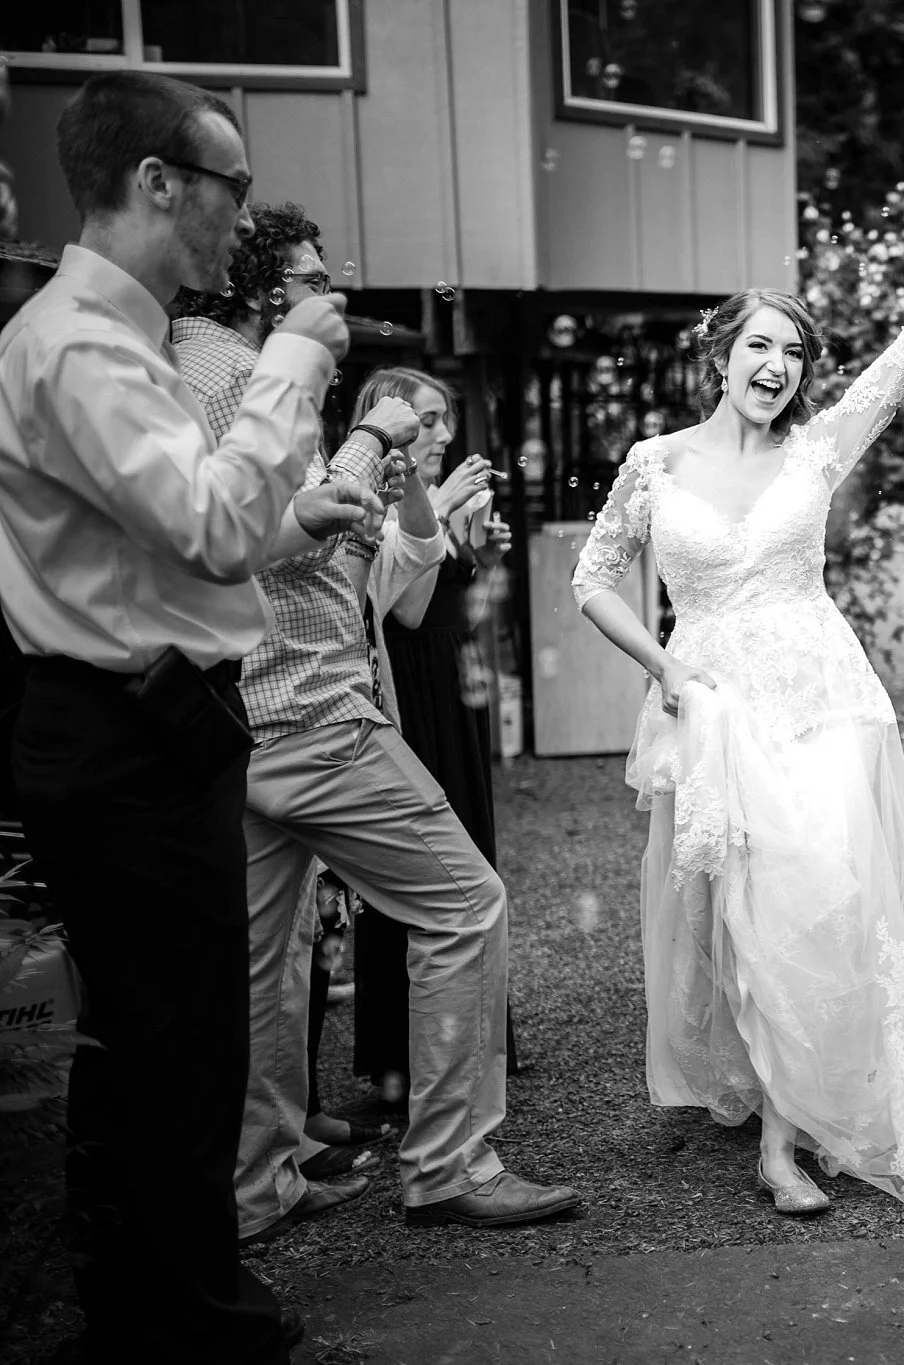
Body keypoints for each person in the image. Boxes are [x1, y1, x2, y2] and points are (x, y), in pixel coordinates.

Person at [0, 71, 382, 1363]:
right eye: (231, 185)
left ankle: (156, 1302)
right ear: (160, 183)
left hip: (154, 720)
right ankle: (181, 1325)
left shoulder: (119, 334)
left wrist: (296, 521)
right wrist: (293, 360)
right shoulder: (76, 344)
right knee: (173, 1044)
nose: (241, 213)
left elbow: (176, 542)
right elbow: (206, 524)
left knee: (170, 1038)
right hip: (122, 738)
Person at [570, 172, 904, 1217]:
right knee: (743, 915)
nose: (776, 367)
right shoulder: (654, 463)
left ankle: (795, 1132)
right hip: (715, 709)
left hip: (823, 704)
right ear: (720, 358)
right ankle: (780, 1120)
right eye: (758, 347)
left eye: (793, 353)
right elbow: (592, 581)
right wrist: (668, 667)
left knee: (822, 893)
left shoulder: (816, 451)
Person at [173, 218, 576, 1239]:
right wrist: (373, 446)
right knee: (465, 902)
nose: (329, 296)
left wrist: (380, 509)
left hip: (240, 718)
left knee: (268, 959)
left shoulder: (187, 364)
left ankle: (255, 1184)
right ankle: (446, 1163)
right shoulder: (240, 376)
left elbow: (305, 554)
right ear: (258, 290)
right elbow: (261, 533)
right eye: (308, 280)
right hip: (306, 710)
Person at [352, 366, 513, 1107]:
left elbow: (460, 598)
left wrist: (473, 537)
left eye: (446, 419)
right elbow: (406, 611)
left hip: (453, 683)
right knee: (425, 873)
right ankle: (405, 1059)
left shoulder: (423, 499)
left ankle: (471, 1040)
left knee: (471, 849)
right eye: (428, 420)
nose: (444, 434)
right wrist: (441, 517)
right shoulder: (371, 504)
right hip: (410, 688)